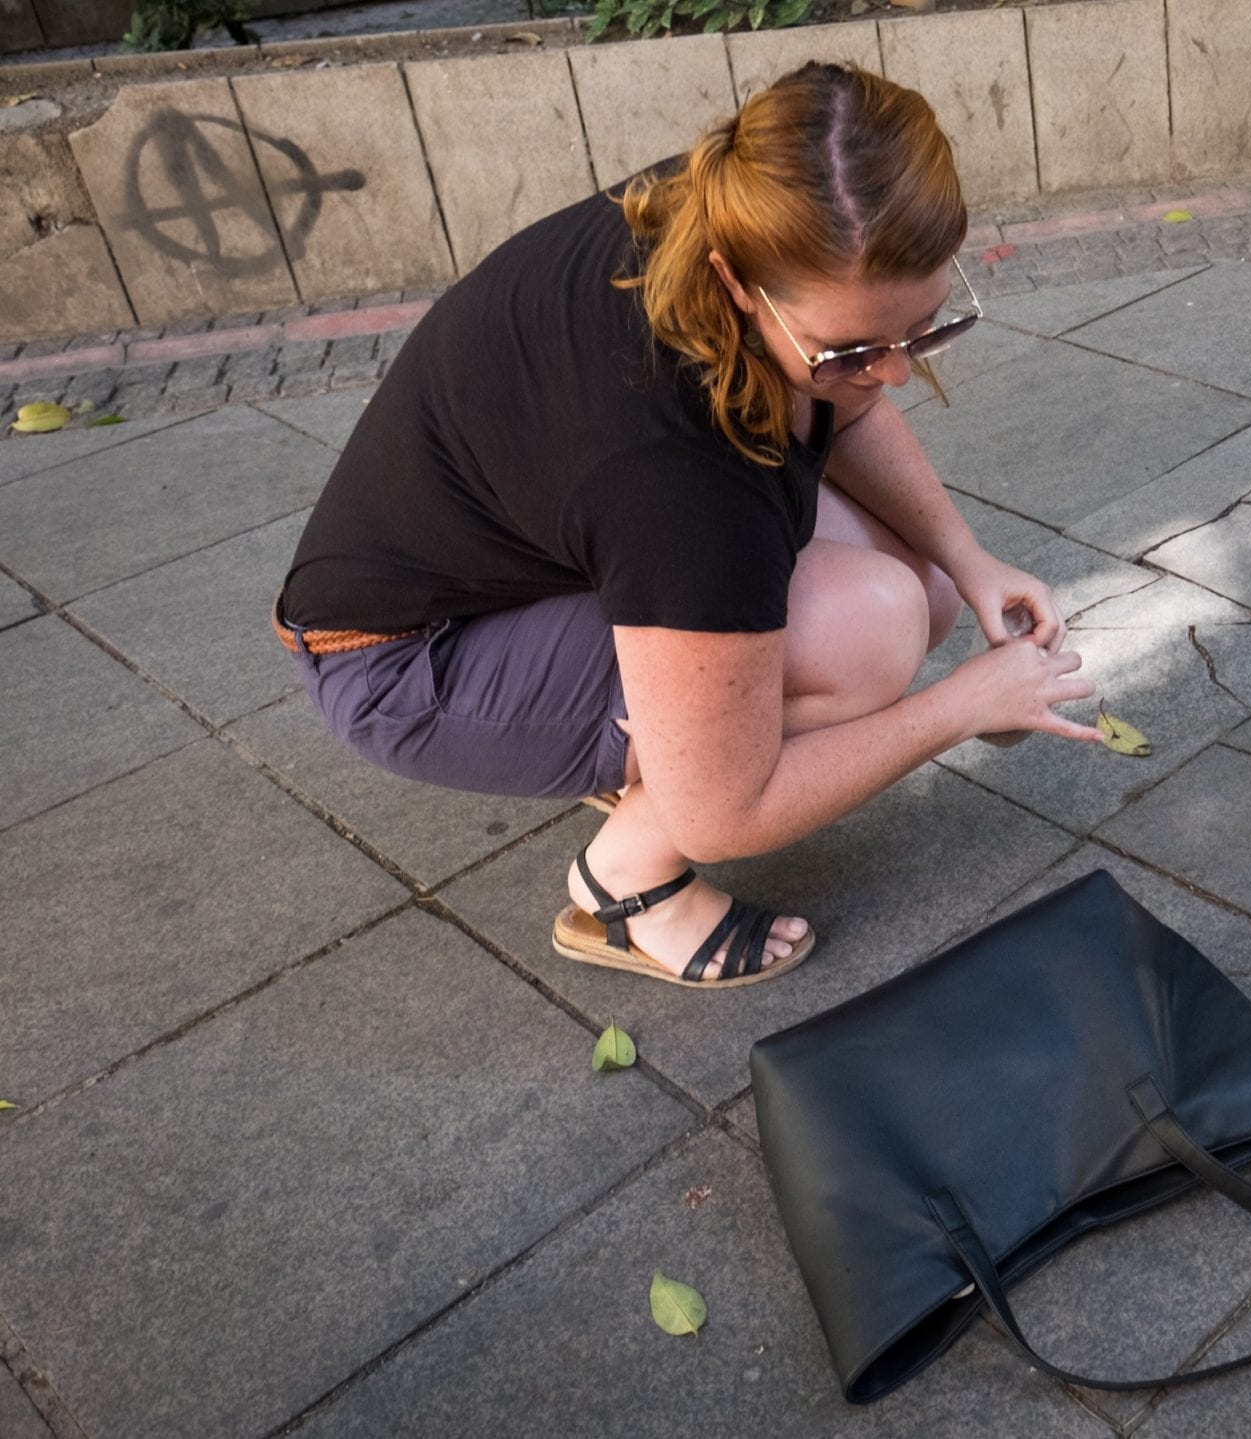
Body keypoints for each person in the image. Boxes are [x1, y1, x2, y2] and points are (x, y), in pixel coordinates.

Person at [275, 62, 1101, 990]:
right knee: (873, 627)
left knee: (933, 587)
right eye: (854, 351)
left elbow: (850, 408)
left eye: (923, 331)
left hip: (536, 560)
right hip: (398, 662)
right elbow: (728, 815)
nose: (896, 376)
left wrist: (970, 557)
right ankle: (625, 883)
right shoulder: (673, 474)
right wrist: (961, 709)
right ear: (737, 283)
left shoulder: (749, 199)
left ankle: (654, 735)